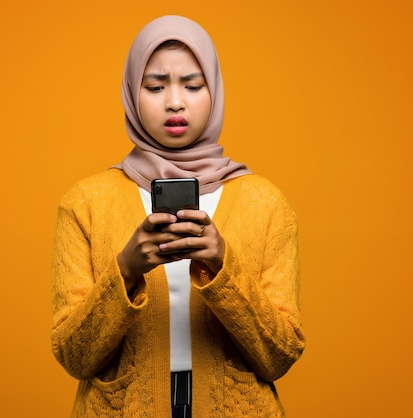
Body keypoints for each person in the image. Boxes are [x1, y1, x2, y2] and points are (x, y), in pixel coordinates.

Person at [51, 15, 305, 418]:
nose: (174, 101)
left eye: (192, 84)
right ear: (132, 93)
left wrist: (224, 264)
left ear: (215, 91)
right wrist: (125, 270)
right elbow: (73, 357)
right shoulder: (85, 203)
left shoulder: (266, 203)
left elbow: (281, 356)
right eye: (155, 86)